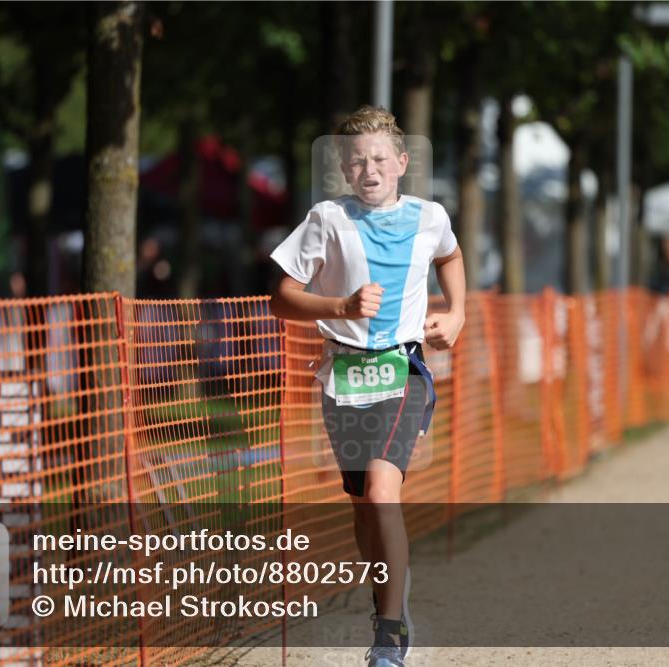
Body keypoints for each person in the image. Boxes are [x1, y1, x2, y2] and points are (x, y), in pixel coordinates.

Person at [268, 105, 466, 667]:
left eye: (380, 158)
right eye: (357, 161)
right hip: (343, 376)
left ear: (402, 162)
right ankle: (389, 603)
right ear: (344, 169)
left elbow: (451, 258)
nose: (370, 169)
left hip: (402, 369)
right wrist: (339, 305)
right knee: (361, 506)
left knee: (383, 492)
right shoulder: (326, 219)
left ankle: (389, 637)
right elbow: (281, 298)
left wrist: (457, 315)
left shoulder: (430, 217)